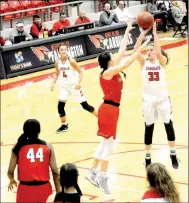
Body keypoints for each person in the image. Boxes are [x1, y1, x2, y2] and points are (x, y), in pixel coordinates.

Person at [85, 21, 151, 194]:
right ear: (108, 62)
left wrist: (127, 31)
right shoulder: (107, 73)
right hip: (108, 109)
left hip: (111, 109)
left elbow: (122, 52)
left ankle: (92, 172)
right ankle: (102, 177)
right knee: (110, 145)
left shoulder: (111, 68)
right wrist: (141, 48)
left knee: (104, 143)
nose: (116, 57)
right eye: (112, 57)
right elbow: (126, 63)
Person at [134, 22, 179, 169]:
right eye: (148, 50)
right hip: (148, 100)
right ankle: (147, 158)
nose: (149, 52)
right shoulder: (143, 63)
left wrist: (154, 32)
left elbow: (159, 52)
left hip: (162, 99)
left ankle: (173, 154)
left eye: (151, 50)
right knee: (149, 127)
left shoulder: (162, 63)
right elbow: (136, 50)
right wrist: (142, 33)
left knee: (168, 125)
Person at [7, 119, 60, 203]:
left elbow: (10, 172)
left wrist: (12, 180)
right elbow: (55, 172)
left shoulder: (17, 147)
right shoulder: (48, 146)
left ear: (24, 131)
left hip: (25, 191)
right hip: (44, 190)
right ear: (39, 131)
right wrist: (58, 192)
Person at [50, 45, 97, 133]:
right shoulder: (57, 62)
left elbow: (80, 72)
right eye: (61, 50)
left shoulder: (71, 61)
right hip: (64, 86)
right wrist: (52, 84)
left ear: (67, 51)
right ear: (58, 52)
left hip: (74, 86)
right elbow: (56, 73)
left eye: (65, 49)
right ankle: (64, 125)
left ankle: (101, 118)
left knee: (85, 106)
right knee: (60, 106)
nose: (63, 51)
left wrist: (79, 83)